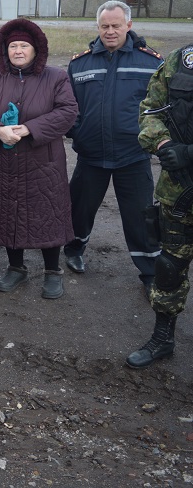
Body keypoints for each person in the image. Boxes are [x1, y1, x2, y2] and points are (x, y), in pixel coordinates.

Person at [0, 18, 78, 299]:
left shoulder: (56, 77)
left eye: (23, 46)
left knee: (46, 215)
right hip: (2, 162)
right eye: (13, 46)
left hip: (41, 163)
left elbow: (68, 111)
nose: (18, 50)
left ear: (35, 49)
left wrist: (31, 128)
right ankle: (16, 267)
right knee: (8, 213)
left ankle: (53, 271)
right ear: (4, 50)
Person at [64, 0, 163, 291]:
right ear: (98, 27)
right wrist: (78, 134)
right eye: (105, 26)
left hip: (132, 156)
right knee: (79, 209)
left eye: (116, 26)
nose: (110, 31)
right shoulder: (79, 64)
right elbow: (69, 107)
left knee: (141, 217)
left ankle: (150, 274)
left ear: (128, 26)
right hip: (91, 155)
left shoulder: (151, 63)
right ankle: (73, 250)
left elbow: (161, 108)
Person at [126, 43, 193, 369]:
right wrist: (163, 143)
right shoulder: (180, 62)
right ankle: (163, 339)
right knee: (168, 268)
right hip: (179, 192)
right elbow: (150, 109)